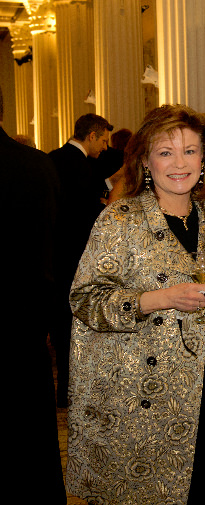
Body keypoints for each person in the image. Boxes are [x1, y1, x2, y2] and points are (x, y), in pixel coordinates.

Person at [65, 104, 205, 505]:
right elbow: (84, 299)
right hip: (138, 397)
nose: (179, 163)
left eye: (190, 151)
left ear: (204, 159)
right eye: (166, 152)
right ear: (145, 160)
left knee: (200, 487)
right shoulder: (120, 219)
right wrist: (157, 299)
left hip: (203, 387)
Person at [2, 88, 67, 504]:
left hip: (23, 326)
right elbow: (53, 250)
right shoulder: (36, 165)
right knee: (30, 454)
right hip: (22, 330)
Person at [49, 113, 114, 408]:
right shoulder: (83, 167)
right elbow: (88, 217)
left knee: (60, 325)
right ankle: (74, 389)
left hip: (54, 256)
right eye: (102, 139)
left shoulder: (51, 159)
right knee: (76, 324)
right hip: (77, 256)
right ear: (90, 135)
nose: (104, 146)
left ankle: (63, 388)